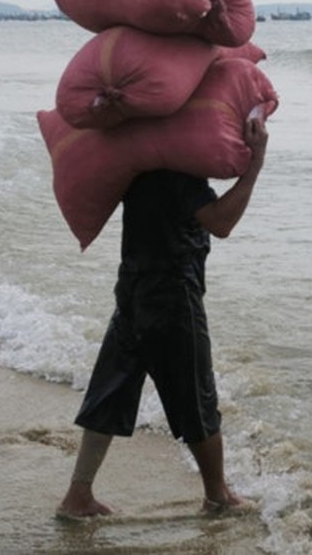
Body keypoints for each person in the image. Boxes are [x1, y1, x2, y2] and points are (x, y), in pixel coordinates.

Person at [57, 115, 268, 519]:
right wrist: (254, 164)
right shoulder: (180, 173)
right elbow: (221, 223)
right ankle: (217, 495)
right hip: (172, 295)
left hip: (132, 287)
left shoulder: (138, 161)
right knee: (196, 395)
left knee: (111, 388)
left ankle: (78, 495)